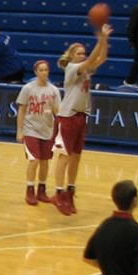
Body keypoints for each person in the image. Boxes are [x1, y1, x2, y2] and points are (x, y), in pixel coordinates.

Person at [53, 25, 110, 215]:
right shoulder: (71, 68)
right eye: (79, 53)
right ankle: (58, 193)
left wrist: (104, 40)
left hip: (80, 116)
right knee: (64, 156)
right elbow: (93, 59)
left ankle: (70, 190)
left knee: (76, 156)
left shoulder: (85, 69)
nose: (82, 55)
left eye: (83, 53)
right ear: (71, 56)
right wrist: (100, 39)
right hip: (67, 116)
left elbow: (102, 58)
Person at [16, 59, 62, 206]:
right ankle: (30, 189)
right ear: (36, 72)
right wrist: (19, 131)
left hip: (47, 130)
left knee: (44, 161)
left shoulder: (54, 90)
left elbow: (57, 112)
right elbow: (21, 110)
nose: (44, 73)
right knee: (34, 160)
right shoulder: (28, 88)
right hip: (30, 129)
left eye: (46, 70)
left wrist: (61, 131)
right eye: (41, 70)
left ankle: (41, 190)